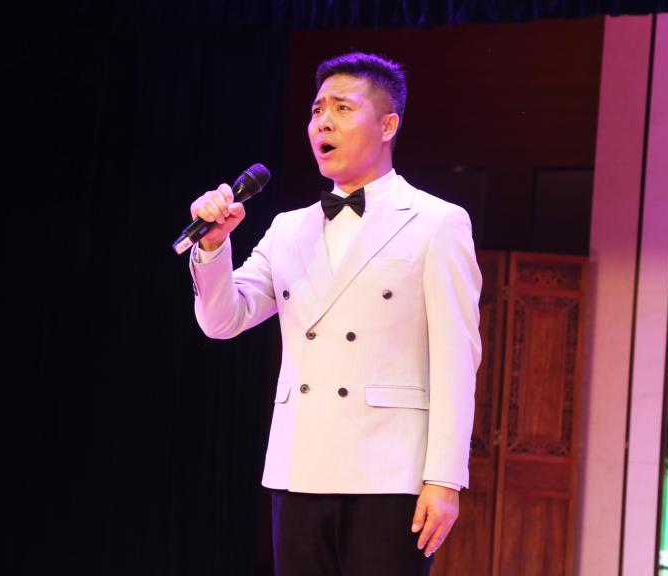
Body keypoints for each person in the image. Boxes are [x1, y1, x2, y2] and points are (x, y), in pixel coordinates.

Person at [187, 52, 481, 576]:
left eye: (343, 108)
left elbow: (457, 360)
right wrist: (212, 247)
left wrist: (445, 478)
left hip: (391, 473)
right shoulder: (288, 228)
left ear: (387, 125)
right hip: (300, 466)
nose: (323, 121)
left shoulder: (437, 222)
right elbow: (223, 320)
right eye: (317, 109)